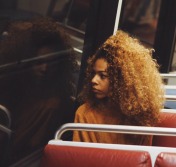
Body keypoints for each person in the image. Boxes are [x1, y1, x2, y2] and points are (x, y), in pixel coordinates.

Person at [0, 17, 78, 163]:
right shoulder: (13, 88)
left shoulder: (52, 105)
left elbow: (21, 149)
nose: (44, 69)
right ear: (25, 60)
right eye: (38, 62)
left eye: (51, 63)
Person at [73, 30, 164, 145]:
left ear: (121, 80)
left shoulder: (141, 117)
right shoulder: (85, 113)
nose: (93, 80)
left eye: (103, 76)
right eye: (94, 74)